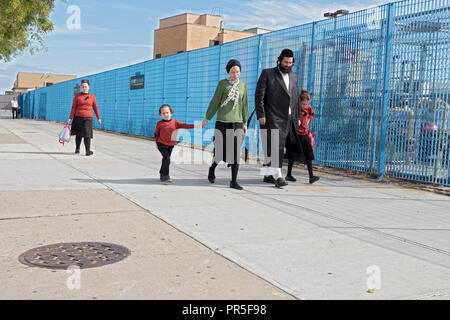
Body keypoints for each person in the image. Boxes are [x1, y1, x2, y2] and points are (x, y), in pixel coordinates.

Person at [255, 49, 302, 188]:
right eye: (285, 62)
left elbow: (295, 98)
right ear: (280, 60)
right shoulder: (267, 74)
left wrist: (297, 116)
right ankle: (278, 177)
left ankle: (267, 174)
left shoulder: (293, 76)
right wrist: (261, 114)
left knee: (279, 147)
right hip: (272, 116)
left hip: (288, 118)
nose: (288, 65)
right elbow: (259, 96)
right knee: (276, 147)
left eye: (290, 63)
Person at [202, 59, 249, 190]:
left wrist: (245, 122)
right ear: (228, 72)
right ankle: (212, 169)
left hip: (237, 123)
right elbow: (215, 101)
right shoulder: (222, 84)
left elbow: (244, 105)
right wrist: (207, 118)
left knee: (235, 153)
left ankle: (234, 181)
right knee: (220, 152)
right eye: (233, 72)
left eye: (238, 71)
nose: (236, 74)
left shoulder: (243, 86)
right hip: (222, 123)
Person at [154, 104, 201, 183]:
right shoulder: (159, 123)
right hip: (161, 144)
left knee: (166, 160)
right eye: (163, 113)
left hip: (171, 145)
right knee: (166, 158)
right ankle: (165, 176)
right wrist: (156, 143)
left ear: (171, 112)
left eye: (167, 112)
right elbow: (156, 134)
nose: (165, 114)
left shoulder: (175, 122)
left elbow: (184, 125)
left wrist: (196, 126)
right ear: (160, 115)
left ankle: (162, 173)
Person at [285, 89, 320, 184]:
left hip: (304, 134)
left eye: (306, 103)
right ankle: (288, 174)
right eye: (303, 104)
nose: (305, 106)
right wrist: (296, 120)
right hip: (297, 134)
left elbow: (311, 113)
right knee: (292, 154)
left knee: (309, 154)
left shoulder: (308, 108)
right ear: (299, 102)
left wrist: (309, 119)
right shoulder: (296, 109)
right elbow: (290, 117)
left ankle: (311, 176)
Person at [66, 79, 101, 156]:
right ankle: (77, 149)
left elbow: (95, 107)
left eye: (85, 86)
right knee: (79, 134)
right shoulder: (77, 97)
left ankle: (87, 151)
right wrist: (70, 118)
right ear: (81, 87)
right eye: (82, 87)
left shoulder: (92, 97)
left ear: (89, 87)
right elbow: (73, 108)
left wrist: (98, 117)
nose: (84, 88)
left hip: (88, 118)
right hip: (78, 117)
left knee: (87, 134)